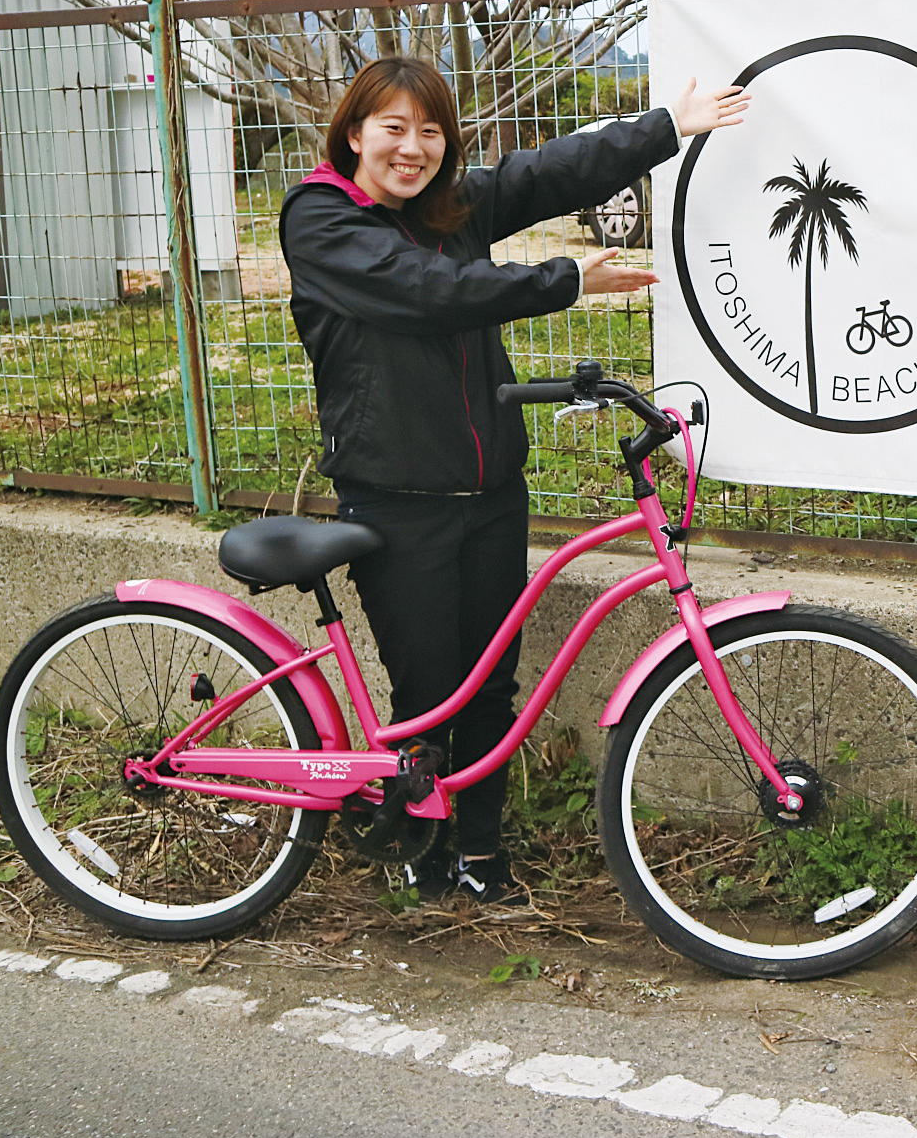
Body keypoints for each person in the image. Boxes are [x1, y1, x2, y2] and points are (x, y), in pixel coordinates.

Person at [281, 57, 748, 905]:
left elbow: (543, 173)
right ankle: (422, 848)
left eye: (431, 132)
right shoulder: (321, 220)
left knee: (490, 686)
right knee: (429, 691)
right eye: (393, 129)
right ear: (354, 134)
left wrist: (666, 129)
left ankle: (483, 851)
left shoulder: (447, 210)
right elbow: (427, 291)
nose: (413, 149)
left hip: (490, 489)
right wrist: (564, 281)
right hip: (396, 498)